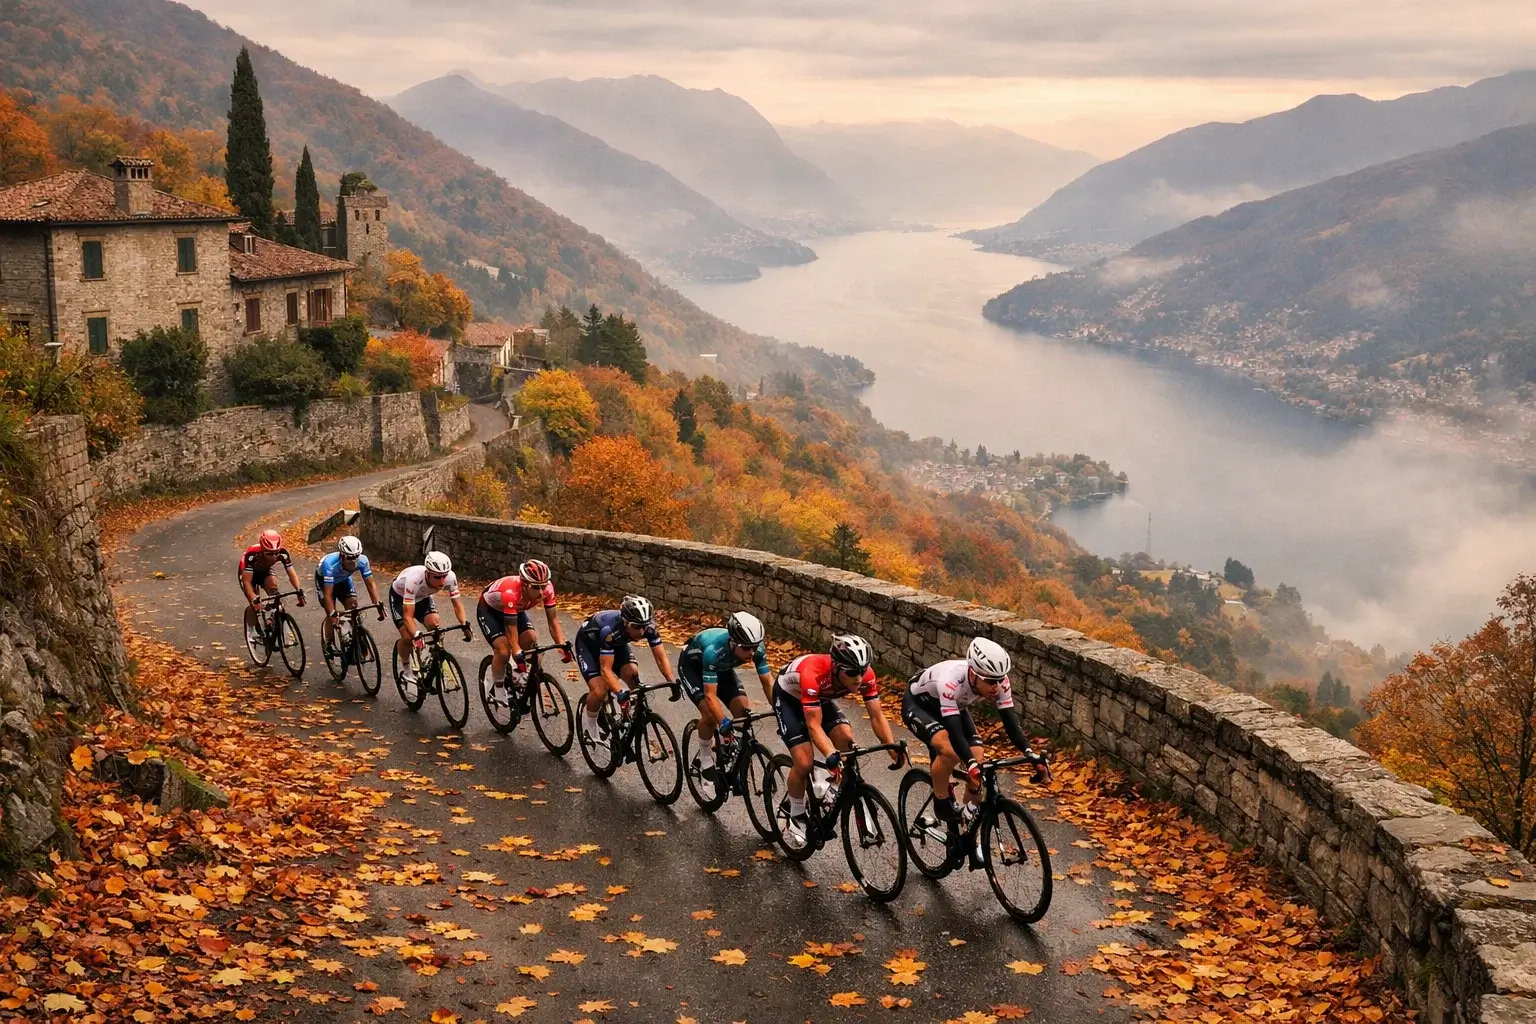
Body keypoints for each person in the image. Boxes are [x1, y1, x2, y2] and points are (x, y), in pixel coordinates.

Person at [902, 637, 1047, 830]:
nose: (996, 687)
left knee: (978, 758)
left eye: (999, 680)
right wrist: (969, 764)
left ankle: (967, 821)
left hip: (954, 707)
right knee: (948, 751)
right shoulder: (950, 680)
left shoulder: (1000, 682)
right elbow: (955, 733)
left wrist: (1030, 754)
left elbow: (1011, 724)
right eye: (990, 681)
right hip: (920, 705)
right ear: (973, 673)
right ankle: (941, 804)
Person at [773, 633, 904, 844]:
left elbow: (877, 715)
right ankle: (796, 814)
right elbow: (813, 725)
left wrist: (891, 748)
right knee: (804, 761)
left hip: (819, 699)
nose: (859, 678)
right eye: (852, 672)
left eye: (862, 671)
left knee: (845, 738)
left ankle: (834, 789)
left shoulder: (864, 675)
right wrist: (829, 755)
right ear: (835, 667)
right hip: (789, 698)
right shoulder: (813, 673)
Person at [677, 612, 773, 781]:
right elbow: (710, 696)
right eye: (746, 648)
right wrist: (723, 723)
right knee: (710, 715)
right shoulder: (713, 651)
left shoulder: (756, 650)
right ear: (733, 643)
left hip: (721, 669)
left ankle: (723, 745)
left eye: (754, 646)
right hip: (693, 667)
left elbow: (768, 684)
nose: (751, 652)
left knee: (743, 714)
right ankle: (704, 756)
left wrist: (779, 711)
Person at [572, 595, 675, 747]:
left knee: (632, 672)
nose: (641, 632)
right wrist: (620, 693)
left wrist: (671, 681)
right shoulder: (610, 630)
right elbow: (605, 670)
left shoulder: (648, 627)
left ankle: (632, 718)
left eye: (644, 626)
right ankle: (591, 730)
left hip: (616, 644)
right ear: (625, 622)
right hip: (589, 645)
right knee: (599, 690)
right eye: (636, 626)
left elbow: (661, 658)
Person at [475, 560, 570, 694]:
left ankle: (518, 674)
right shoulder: (511, 593)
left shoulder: (548, 589)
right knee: (503, 651)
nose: (542, 592)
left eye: (543, 585)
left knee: (531, 640)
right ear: (524, 585)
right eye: (536, 587)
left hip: (515, 610)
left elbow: (553, 621)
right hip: (490, 610)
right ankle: (496, 688)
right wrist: (516, 651)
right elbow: (511, 629)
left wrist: (561, 644)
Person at [390, 551, 471, 688]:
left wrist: (464, 624)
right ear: (427, 573)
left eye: (444, 576)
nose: (442, 582)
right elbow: (408, 616)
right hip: (400, 598)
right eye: (438, 577)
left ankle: (435, 657)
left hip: (422, 597)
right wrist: (416, 634)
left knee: (435, 624)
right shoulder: (414, 580)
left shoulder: (450, 577)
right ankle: (407, 669)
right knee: (408, 636)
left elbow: (457, 605)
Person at [315, 535, 384, 653]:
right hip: (325, 582)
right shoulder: (330, 565)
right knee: (330, 612)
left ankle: (352, 635)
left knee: (353, 605)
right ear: (342, 555)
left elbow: (371, 585)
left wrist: (377, 604)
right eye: (350, 558)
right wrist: (332, 614)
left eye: (356, 557)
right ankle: (329, 643)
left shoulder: (363, 560)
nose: (354, 561)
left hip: (343, 580)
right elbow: (328, 595)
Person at [239, 528, 304, 645]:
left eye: (276, 553)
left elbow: (292, 574)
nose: (273, 557)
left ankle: (272, 618)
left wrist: (298, 590)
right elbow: (247, 582)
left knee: (276, 594)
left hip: (265, 571)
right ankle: (253, 632)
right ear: (262, 549)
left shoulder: (283, 553)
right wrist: (254, 598)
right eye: (269, 553)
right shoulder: (252, 554)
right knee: (254, 602)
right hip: (248, 573)